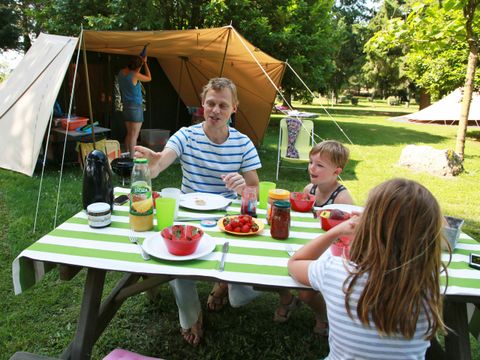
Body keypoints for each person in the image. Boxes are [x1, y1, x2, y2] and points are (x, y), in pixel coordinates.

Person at [135, 77, 261, 345]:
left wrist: (243, 187)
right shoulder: (186, 135)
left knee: (241, 296)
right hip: (188, 217)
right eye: (211, 103)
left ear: (234, 108)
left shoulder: (243, 143)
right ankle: (191, 317)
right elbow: (160, 163)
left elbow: (254, 192)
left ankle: (225, 285)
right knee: (176, 262)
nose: (215, 110)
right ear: (202, 105)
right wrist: (154, 165)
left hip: (228, 220)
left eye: (223, 105)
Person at [288, 178, 447, 359]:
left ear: (368, 227)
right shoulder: (428, 283)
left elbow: (295, 263)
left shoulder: (336, 271)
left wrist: (336, 231)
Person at [274, 140, 354, 335]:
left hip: (331, 252)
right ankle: (286, 298)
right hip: (308, 244)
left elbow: (347, 232)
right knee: (274, 266)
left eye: (320, 165)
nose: (312, 168)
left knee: (306, 293)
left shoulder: (342, 198)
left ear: (337, 171)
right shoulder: (309, 189)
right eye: (311, 162)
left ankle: (322, 315)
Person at [118, 55, 151, 156]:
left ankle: (127, 154)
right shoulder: (135, 75)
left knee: (129, 133)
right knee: (134, 136)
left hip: (126, 107)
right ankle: (132, 159)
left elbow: (135, 71)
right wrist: (145, 63)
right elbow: (149, 78)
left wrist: (140, 62)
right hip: (136, 108)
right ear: (138, 67)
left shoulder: (121, 73)